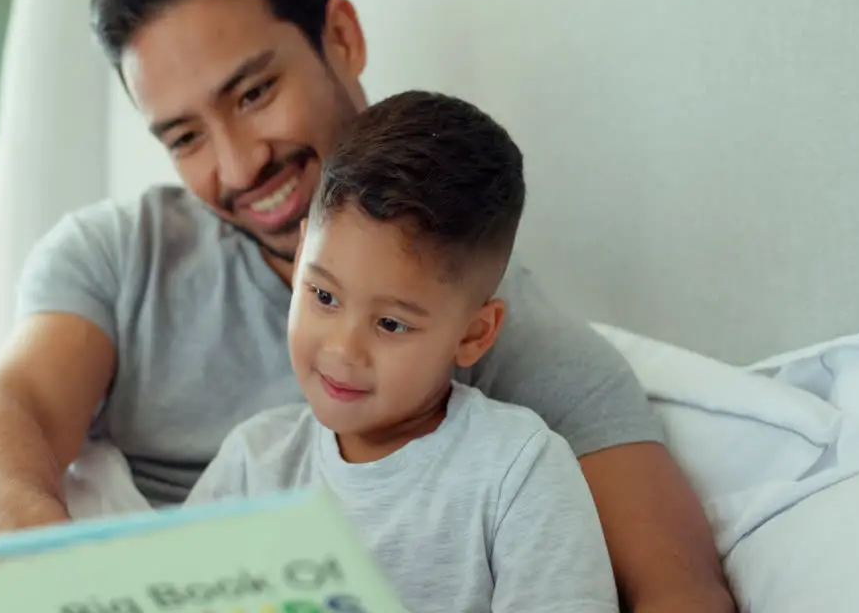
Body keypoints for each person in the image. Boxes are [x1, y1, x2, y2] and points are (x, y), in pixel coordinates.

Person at [0, 0, 734, 611]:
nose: (239, 164)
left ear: (341, 37)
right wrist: (44, 574)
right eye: (184, 137)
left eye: (253, 94)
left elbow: (675, 585)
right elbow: (0, 428)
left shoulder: (513, 356)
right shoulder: (118, 257)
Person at [185, 90, 619, 613]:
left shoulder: (518, 472)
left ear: (473, 335)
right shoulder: (253, 465)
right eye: (323, 295)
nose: (344, 350)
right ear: (301, 259)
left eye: (390, 324)